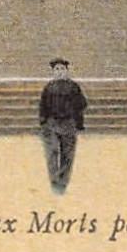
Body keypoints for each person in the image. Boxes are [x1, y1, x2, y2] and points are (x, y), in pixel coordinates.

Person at [38, 58, 88, 194]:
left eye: (62, 69)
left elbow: (81, 106)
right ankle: (54, 182)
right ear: (53, 72)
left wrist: (78, 124)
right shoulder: (49, 88)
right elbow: (43, 106)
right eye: (57, 70)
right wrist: (44, 122)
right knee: (52, 153)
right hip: (52, 124)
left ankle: (63, 183)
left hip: (68, 124)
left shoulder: (73, 87)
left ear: (67, 71)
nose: (60, 72)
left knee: (67, 155)